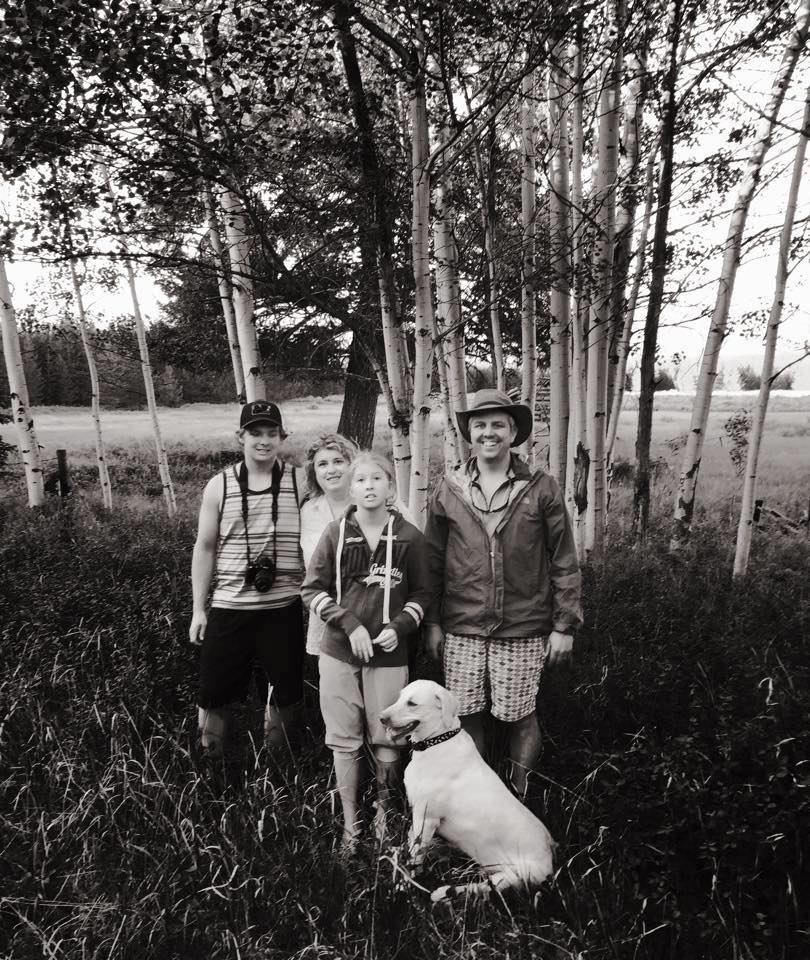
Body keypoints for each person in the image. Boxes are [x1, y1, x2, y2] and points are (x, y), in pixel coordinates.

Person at [423, 388, 582, 797]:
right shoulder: (449, 488)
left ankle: (519, 795)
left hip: (523, 625)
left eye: (498, 425)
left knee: (520, 716)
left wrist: (563, 626)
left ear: (513, 432)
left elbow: (564, 559)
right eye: (480, 425)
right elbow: (433, 561)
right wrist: (433, 622)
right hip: (463, 624)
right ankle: (479, 798)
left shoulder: (541, 487)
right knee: (465, 716)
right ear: (469, 433)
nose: (488, 433)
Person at [301, 451, 432, 850]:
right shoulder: (335, 533)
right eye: (361, 480)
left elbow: (424, 593)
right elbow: (311, 590)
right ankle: (349, 825)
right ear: (351, 488)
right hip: (339, 652)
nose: (369, 486)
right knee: (343, 738)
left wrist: (401, 625)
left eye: (378, 479)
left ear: (391, 487)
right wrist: (349, 623)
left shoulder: (409, 537)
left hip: (389, 654)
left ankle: (383, 817)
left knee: (388, 736)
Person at [189, 400, 305, 758]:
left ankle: (276, 767)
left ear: (282, 437)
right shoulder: (219, 486)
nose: (264, 441)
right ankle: (210, 764)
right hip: (230, 606)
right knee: (213, 692)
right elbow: (204, 547)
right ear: (241, 436)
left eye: (272, 433)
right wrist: (198, 609)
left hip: (283, 607)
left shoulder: (300, 481)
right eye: (255, 433)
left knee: (284, 692)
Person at [300, 434, 358, 656]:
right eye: (322, 464)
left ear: (351, 465)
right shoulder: (308, 511)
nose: (331, 470)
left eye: (338, 461)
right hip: (325, 622)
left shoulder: (375, 500)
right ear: (314, 472)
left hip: (372, 618)